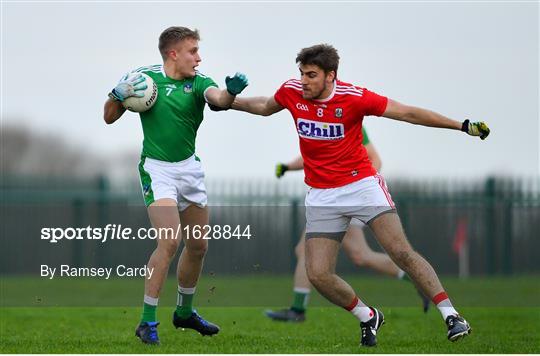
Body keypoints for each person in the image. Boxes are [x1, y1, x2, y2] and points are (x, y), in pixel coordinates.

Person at [231, 44, 489, 346]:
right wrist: (228, 100)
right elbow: (263, 106)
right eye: (301, 74)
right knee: (318, 273)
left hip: (361, 186)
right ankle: (368, 315)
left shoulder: (354, 98)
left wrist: (461, 126)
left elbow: (408, 113)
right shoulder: (292, 92)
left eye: (311, 75)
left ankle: (451, 315)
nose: (304, 81)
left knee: (400, 251)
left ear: (331, 76)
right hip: (322, 196)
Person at [103, 26, 248, 345]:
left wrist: (231, 93)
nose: (199, 57)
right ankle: (147, 321)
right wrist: (118, 93)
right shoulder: (143, 78)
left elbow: (219, 100)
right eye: (193, 51)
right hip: (157, 169)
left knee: (198, 245)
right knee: (169, 242)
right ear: (173, 53)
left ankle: (184, 313)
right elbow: (109, 117)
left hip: (189, 169)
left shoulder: (199, 82)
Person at [266, 128, 429, 323]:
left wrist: (362, 189)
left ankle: (297, 310)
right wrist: (287, 166)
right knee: (361, 255)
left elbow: (375, 159)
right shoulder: (317, 120)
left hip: (347, 198)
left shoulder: (347, 115)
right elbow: (313, 156)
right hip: (333, 200)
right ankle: (417, 280)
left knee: (306, 250)